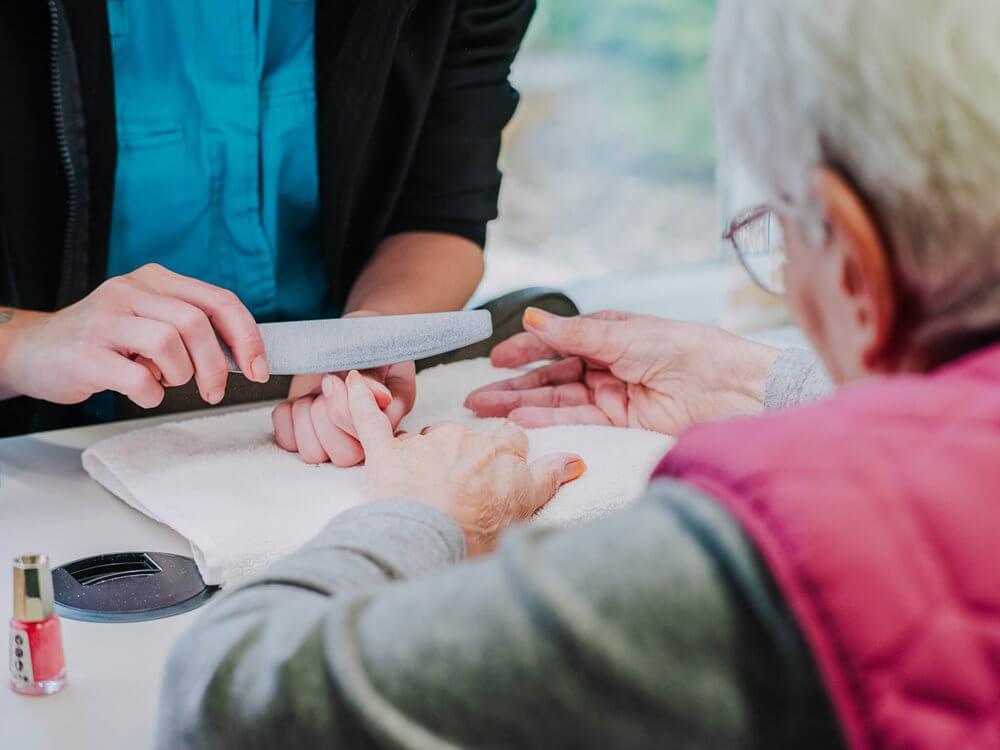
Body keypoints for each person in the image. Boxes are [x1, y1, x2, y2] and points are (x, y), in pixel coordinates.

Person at [157, 0, 1000, 748]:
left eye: (770, 232)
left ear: (853, 260)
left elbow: (227, 703)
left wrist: (420, 519)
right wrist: (756, 381)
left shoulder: (772, 558)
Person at [0, 0, 533, 457]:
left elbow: (439, 214)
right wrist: (25, 344)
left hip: (306, 441)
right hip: (39, 453)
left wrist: (366, 341)